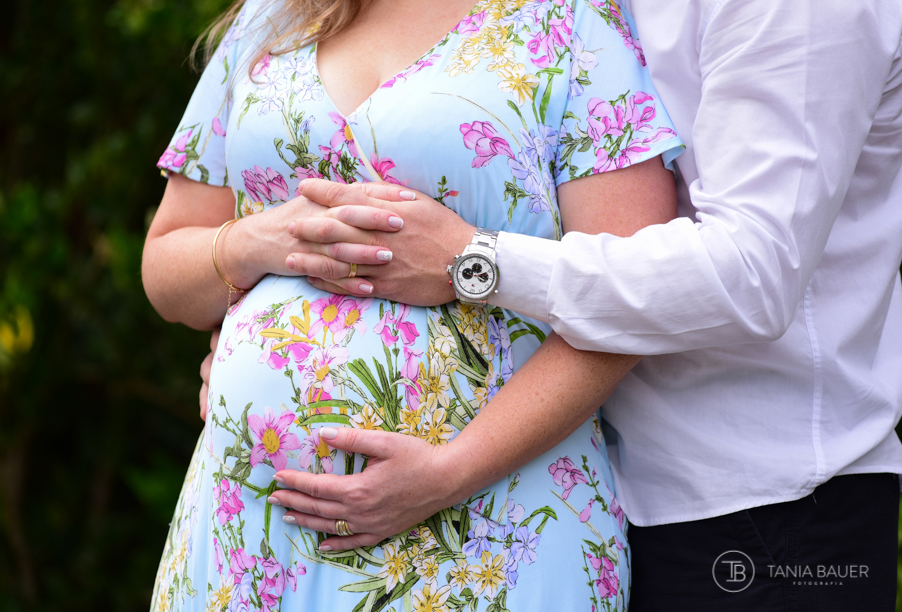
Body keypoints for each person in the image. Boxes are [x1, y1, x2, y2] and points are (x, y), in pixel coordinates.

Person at [206, 0, 902, 609]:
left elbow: (752, 275)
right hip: (582, 493)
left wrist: (472, 263)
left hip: (758, 510)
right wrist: (270, 333)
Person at [142, 0, 684, 610]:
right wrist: (256, 241)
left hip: (491, 524)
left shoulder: (572, 21)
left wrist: (448, 474)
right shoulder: (272, 18)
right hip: (252, 529)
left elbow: (635, 297)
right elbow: (166, 266)